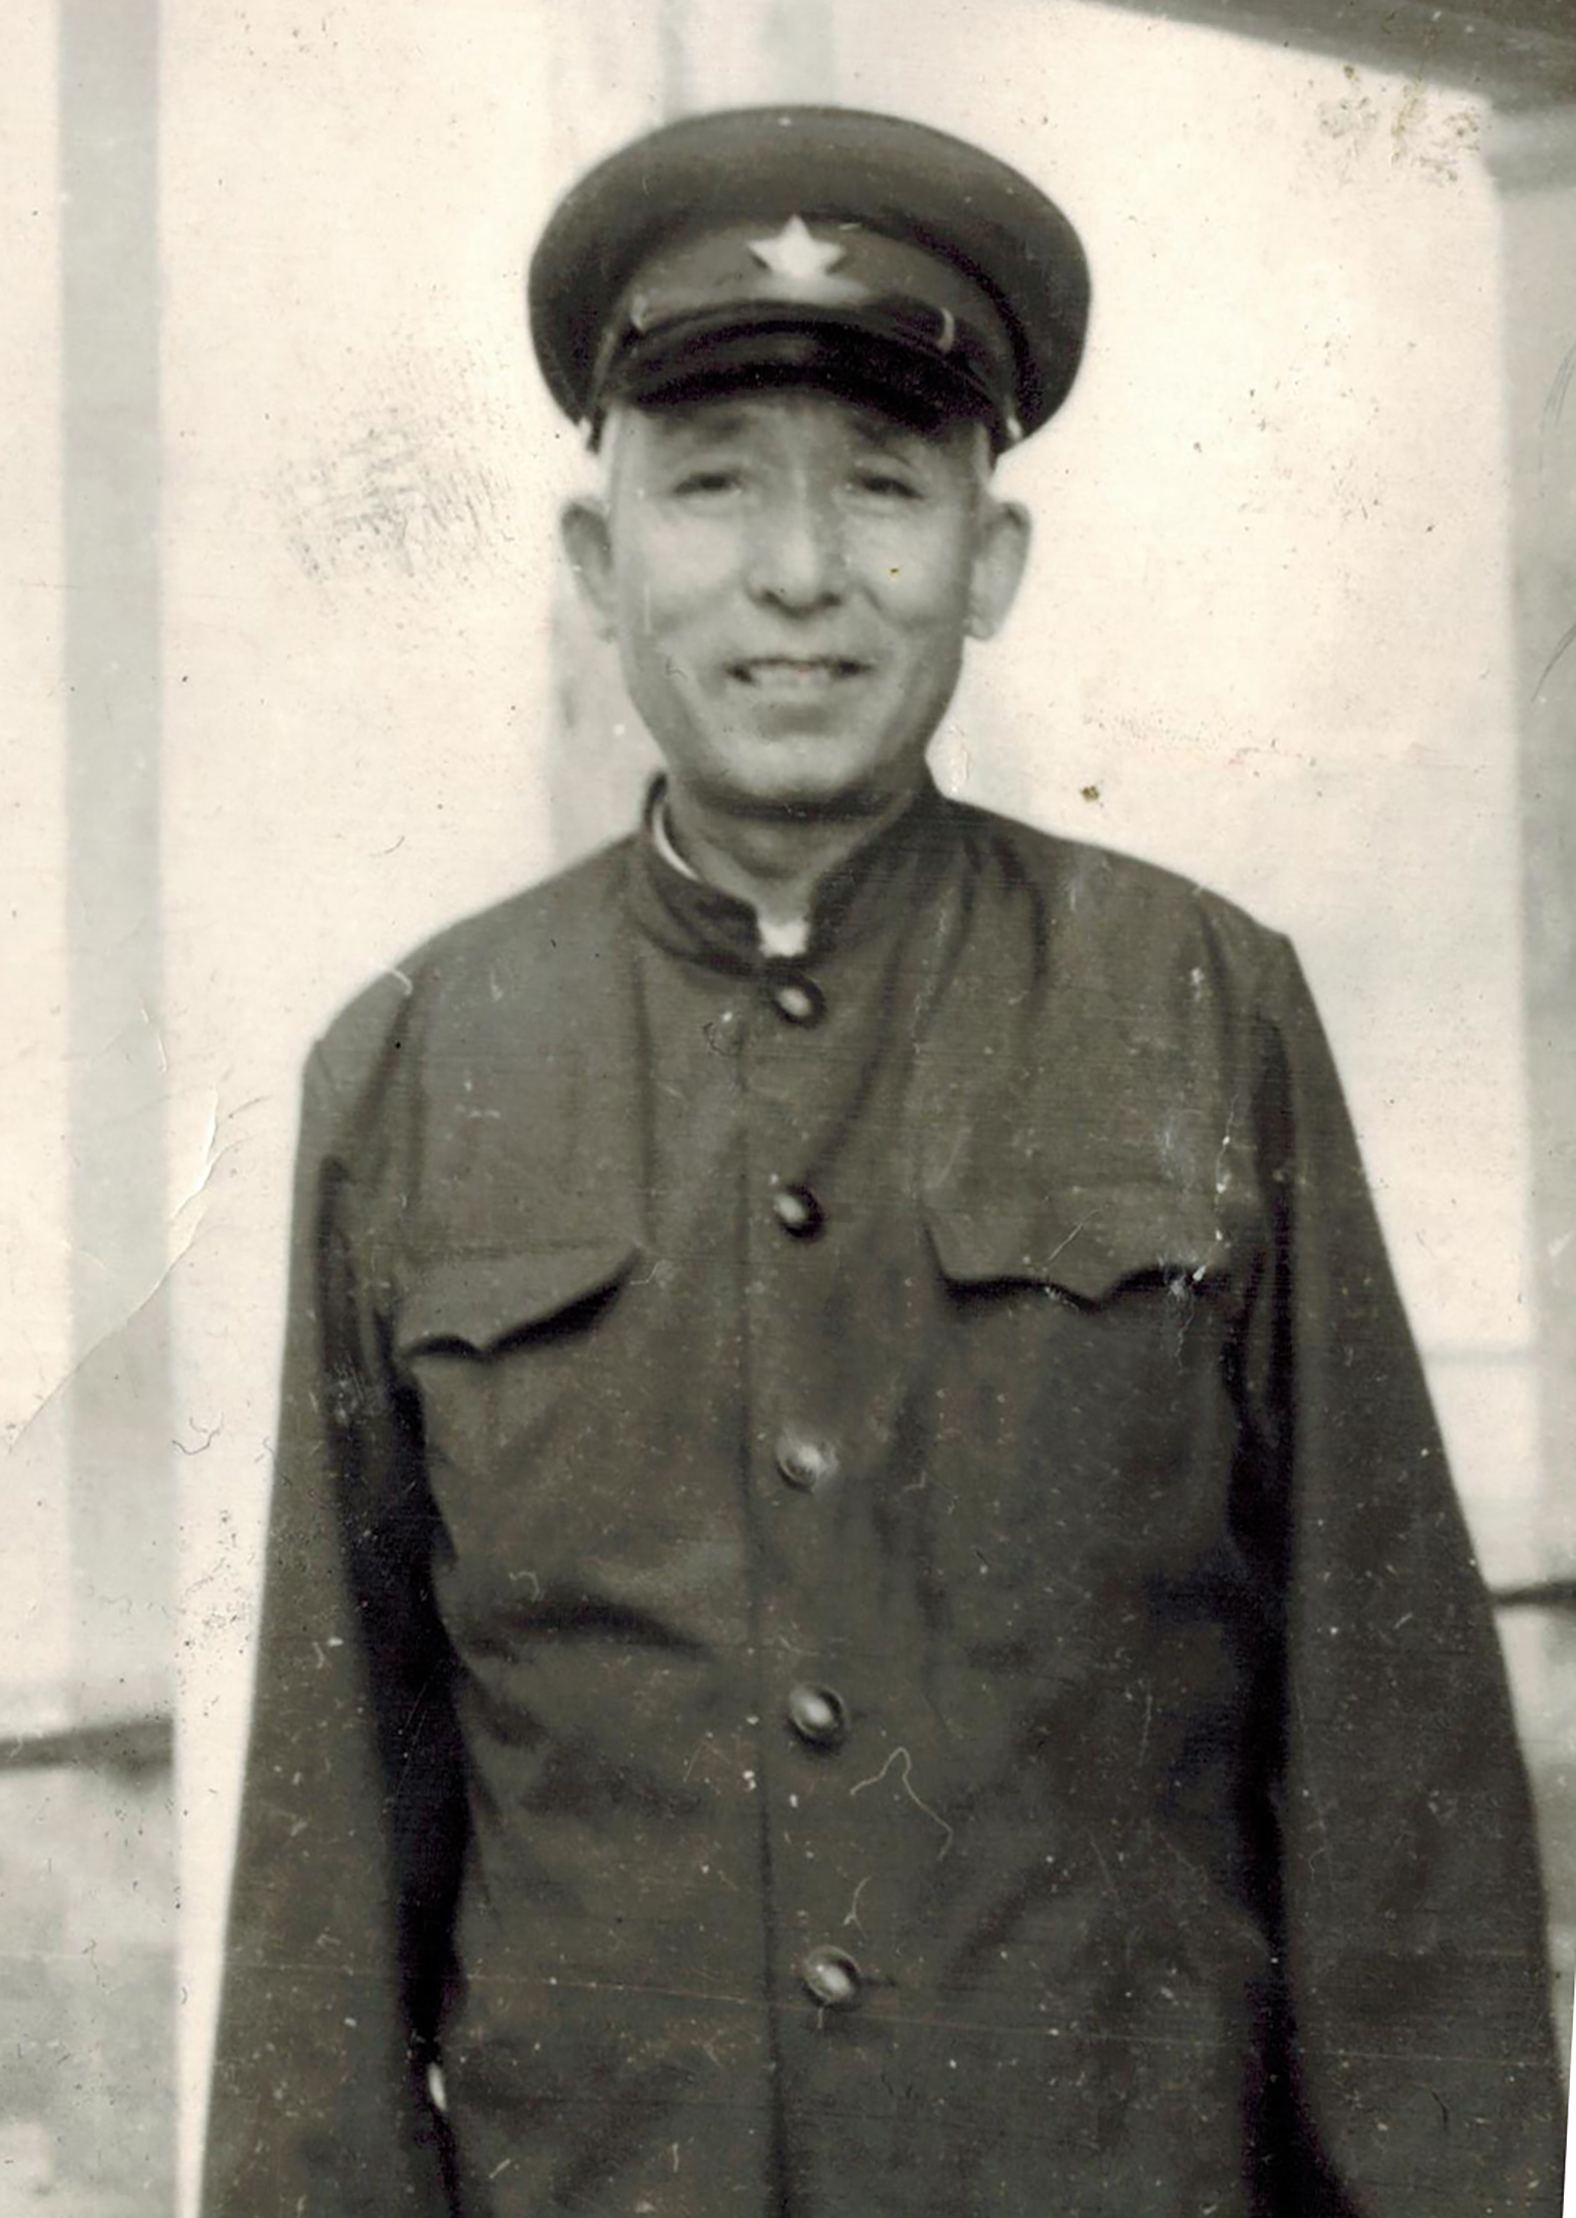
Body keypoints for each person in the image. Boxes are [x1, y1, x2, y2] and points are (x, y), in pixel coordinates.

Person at [202, 106, 1563, 2218]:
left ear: (988, 560)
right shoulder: (412, 1065)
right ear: (596, 562)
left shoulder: (1197, 1001)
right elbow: (330, 1862)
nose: (798, 573)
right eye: (711, 482)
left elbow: (1398, 1787)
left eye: (881, 485)